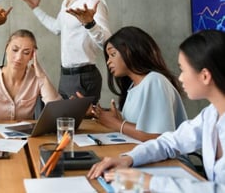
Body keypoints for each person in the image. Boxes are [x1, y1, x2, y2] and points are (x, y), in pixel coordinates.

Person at [87, 30, 225, 192]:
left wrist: (149, 182)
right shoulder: (210, 115)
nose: (179, 78)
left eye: (183, 70)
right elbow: (169, 142)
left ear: (205, 76)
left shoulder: (155, 81)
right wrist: (128, 159)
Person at [18, 0, 111, 103]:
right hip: (66, 76)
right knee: (64, 125)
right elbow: (56, 28)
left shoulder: (93, 1)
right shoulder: (67, 3)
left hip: (83, 77)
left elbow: (108, 44)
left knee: (80, 126)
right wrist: (36, 9)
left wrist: (90, 23)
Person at [88, 26, 187, 141]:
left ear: (129, 51)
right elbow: (134, 124)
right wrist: (95, 111)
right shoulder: (133, 86)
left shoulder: (155, 81)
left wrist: (116, 123)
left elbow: (158, 138)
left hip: (167, 159)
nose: (108, 61)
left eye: (113, 54)